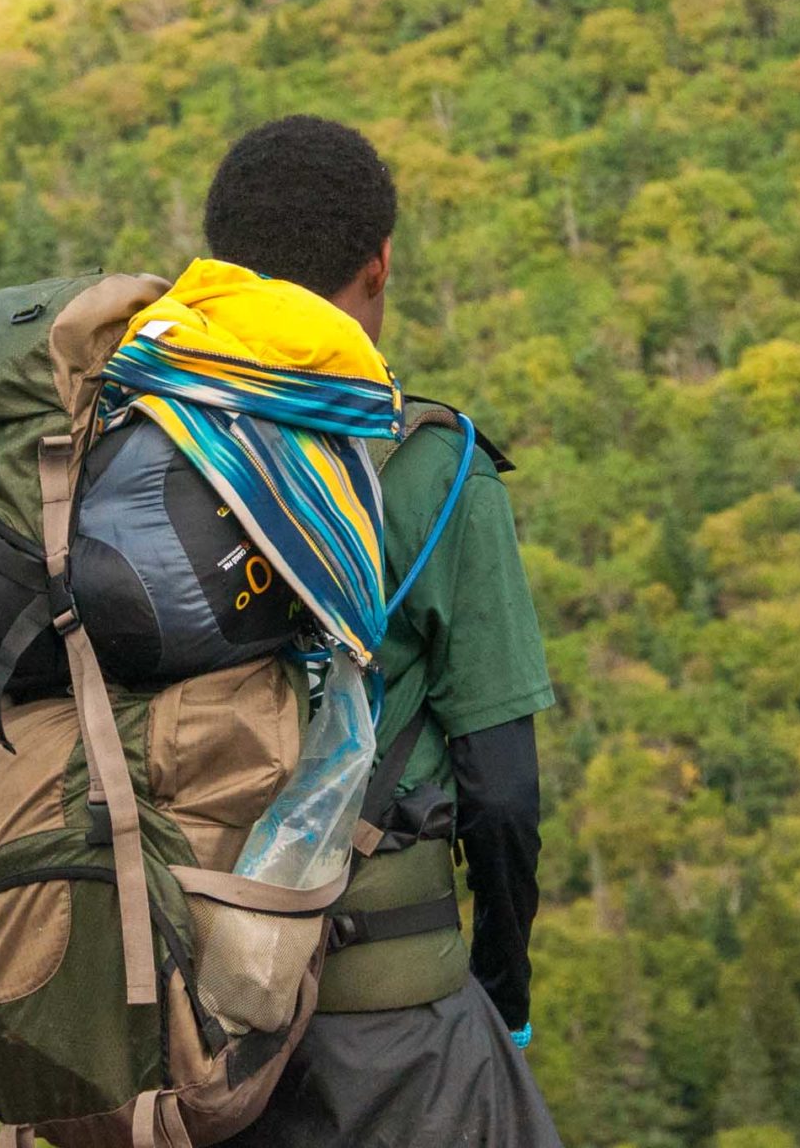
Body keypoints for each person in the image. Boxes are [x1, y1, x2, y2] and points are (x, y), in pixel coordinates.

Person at [210, 117, 563, 1148]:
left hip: (178, 1030)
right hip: (386, 1027)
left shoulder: (139, 461)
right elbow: (501, 797)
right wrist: (500, 995)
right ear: (380, 265)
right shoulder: (429, 469)